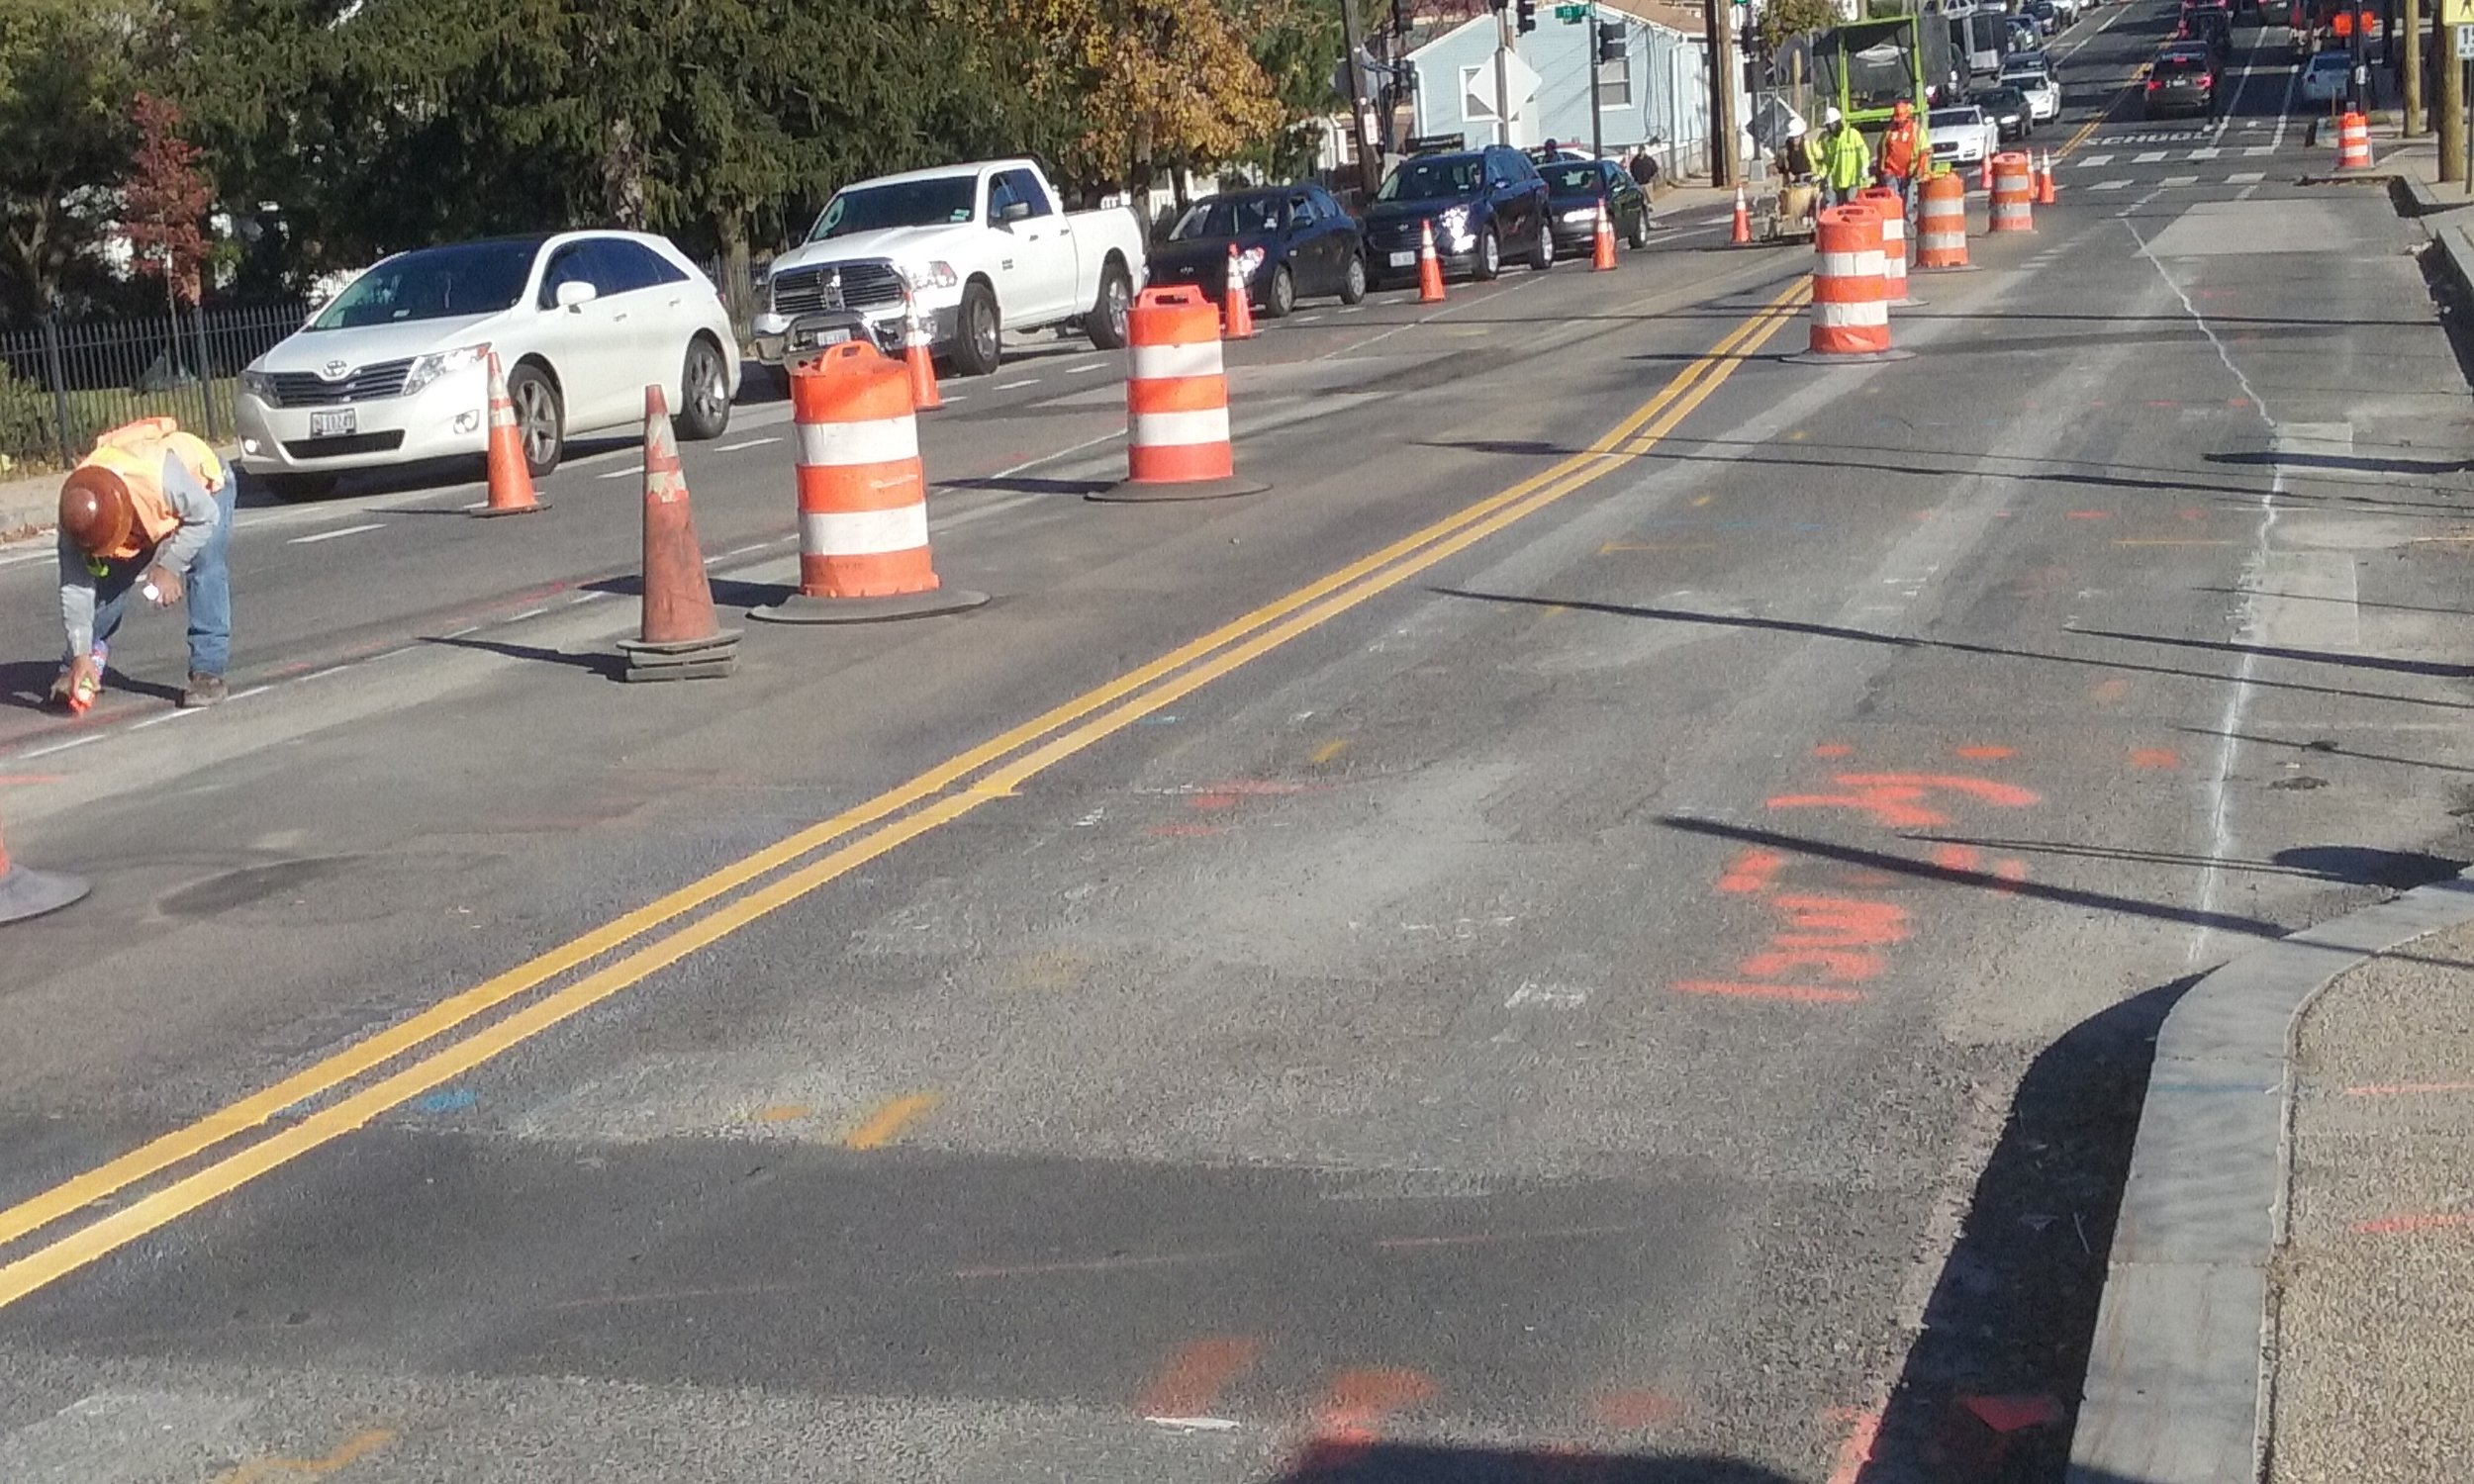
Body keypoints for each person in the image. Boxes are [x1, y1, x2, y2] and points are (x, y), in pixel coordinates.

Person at [50, 417, 235, 711]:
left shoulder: (161, 479)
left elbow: (206, 516)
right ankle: (78, 667)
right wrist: (79, 653)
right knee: (109, 585)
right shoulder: (76, 514)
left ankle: (208, 673)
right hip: (143, 507)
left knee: (206, 565)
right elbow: (76, 588)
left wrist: (170, 565)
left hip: (206, 489)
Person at [1877, 100, 1927, 213]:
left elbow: (1924, 151)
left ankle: (1908, 226)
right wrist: (1882, 169)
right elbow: (1881, 149)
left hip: (1909, 172)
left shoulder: (1916, 131)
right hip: (1891, 171)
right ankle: (1896, 224)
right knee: (1893, 202)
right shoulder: (1889, 131)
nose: (1899, 122)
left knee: (1908, 204)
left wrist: (1920, 168)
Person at [1819, 107, 1871, 208]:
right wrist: (1821, 175)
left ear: (1838, 123)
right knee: (1840, 210)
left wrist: (1864, 167)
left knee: (1851, 208)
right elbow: (1827, 163)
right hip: (1838, 183)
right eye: (1828, 126)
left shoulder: (1852, 135)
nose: (1830, 128)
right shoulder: (1829, 142)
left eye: (1832, 125)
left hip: (1853, 180)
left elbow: (1863, 152)